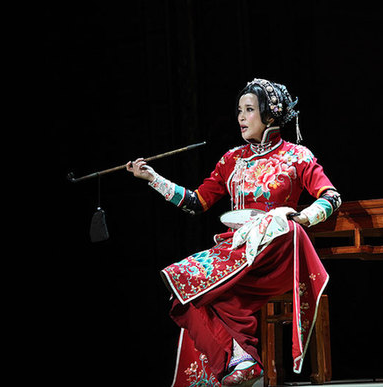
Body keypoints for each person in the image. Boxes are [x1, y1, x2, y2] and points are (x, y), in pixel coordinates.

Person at [127, 78, 341, 386]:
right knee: (184, 294)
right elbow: (196, 202)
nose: (241, 117)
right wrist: (153, 178)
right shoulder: (232, 159)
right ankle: (240, 360)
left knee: (280, 231)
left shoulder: (297, 156)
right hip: (237, 250)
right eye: (239, 110)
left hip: (275, 250)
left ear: (271, 114)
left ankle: (240, 359)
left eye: (250, 110)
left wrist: (301, 218)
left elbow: (331, 197)